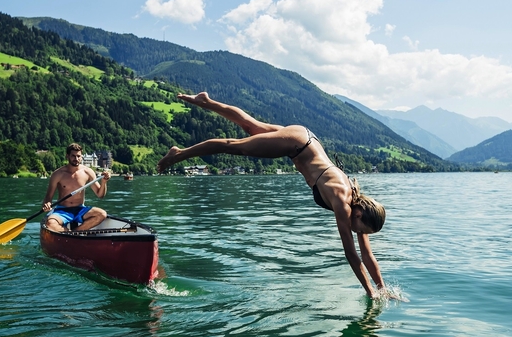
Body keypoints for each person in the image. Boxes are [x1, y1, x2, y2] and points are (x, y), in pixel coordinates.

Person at [157, 92, 390, 298]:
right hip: (297, 145)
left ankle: (205, 101)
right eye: (359, 229)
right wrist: (370, 293)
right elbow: (351, 253)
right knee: (235, 145)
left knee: (250, 125)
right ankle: (178, 154)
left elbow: (366, 254)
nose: (358, 233)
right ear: (359, 213)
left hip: (306, 138)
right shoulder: (342, 202)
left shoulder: (357, 208)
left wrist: (382, 288)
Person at [42, 143, 111, 232]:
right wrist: (46, 204)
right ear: (67, 156)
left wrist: (104, 182)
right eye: (73, 156)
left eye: (78, 156)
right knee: (50, 223)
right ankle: (68, 233)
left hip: (80, 210)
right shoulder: (58, 174)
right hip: (62, 211)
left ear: (82, 156)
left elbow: (100, 195)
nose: (76, 159)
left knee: (102, 214)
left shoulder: (88, 172)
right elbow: (48, 197)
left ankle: (75, 232)